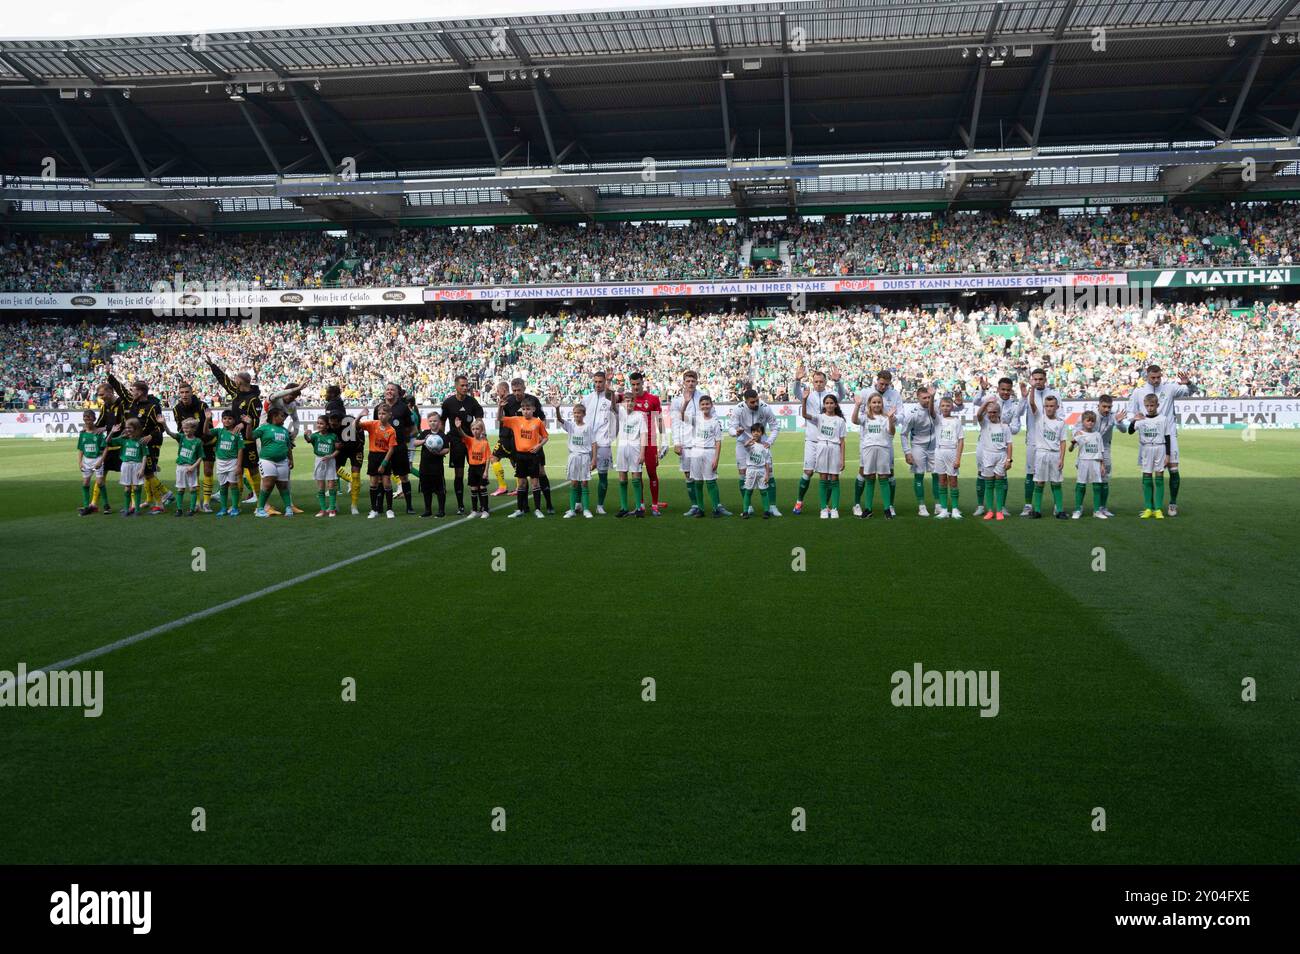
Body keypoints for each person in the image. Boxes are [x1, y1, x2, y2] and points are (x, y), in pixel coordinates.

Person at [1127, 365, 1196, 516]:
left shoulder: (1170, 388)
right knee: (1148, 472)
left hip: (1169, 435)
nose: (1156, 380)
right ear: (1146, 376)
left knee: (1173, 468)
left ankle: (1172, 503)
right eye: (1153, 377)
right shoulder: (1138, 392)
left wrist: (1188, 382)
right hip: (1149, 439)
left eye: (1159, 377)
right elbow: (1130, 412)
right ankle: (1150, 507)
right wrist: (1134, 418)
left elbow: (1191, 391)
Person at [207, 354, 263, 505]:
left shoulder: (254, 399)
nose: (233, 381)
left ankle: (260, 500)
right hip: (234, 438)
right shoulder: (236, 392)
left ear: (241, 381)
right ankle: (236, 504)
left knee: (252, 469)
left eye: (236, 379)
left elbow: (256, 420)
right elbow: (223, 381)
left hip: (248, 439)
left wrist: (244, 425)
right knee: (236, 471)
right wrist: (213, 366)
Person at [792, 365, 846, 514]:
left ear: (825, 382)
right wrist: (797, 380)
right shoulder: (807, 394)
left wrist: (838, 381)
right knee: (808, 472)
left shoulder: (830, 396)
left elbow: (842, 394)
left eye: (821, 381)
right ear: (813, 382)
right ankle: (799, 502)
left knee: (828, 474)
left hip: (829, 442)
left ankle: (826, 505)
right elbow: (796, 392)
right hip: (812, 440)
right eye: (816, 381)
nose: (818, 384)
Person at [971, 375, 1022, 517]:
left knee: (1002, 476)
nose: (1005, 392)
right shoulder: (991, 399)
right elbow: (975, 402)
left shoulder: (1014, 406)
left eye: (1008, 390)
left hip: (1001, 444)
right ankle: (981, 506)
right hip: (984, 444)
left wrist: (1004, 428)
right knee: (982, 474)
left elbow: (1017, 427)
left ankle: (1002, 507)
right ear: (998, 389)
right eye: (1003, 389)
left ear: (1011, 391)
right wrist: (982, 389)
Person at [1120, 393, 1173, 519]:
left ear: (1157, 405)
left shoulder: (1163, 419)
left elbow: (1167, 437)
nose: (1149, 408)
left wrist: (1168, 454)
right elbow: (1130, 432)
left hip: (1159, 447)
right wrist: (1134, 420)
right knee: (1147, 476)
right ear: (1144, 406)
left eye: (1152, 405)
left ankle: (1158, 509)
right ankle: (1149, 508)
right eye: (1147, 406)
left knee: (1159, 476)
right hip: (1146, 448)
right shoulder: (1141, 419)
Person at [730, 388, 781, 516]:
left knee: (769, 472)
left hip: (762, 444)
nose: (756, 404)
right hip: (743, 444)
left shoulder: (765, 408)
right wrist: (735, 433)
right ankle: (748, 507)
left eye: (757, 401)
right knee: (743, 473)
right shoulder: (738, 409)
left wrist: (769, 441)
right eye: (752, 402)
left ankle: (772, 506)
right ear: (745, 401)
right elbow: (731, 427)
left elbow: (775, 427)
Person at [498, 395, 549, 518]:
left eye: (528, 408)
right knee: (521, 483)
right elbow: (500, 418)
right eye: (524, 409)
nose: (526, 411)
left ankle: (537, 509)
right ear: (521, 409)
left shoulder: (537, 422)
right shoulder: (516, 420)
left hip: (533, 456)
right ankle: (519, 509)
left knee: (535, 483)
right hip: (520, 456)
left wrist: (538, 445)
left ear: (533, 409)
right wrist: (500, 407)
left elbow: (546, 437)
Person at [440, 375, 484, 515]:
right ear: (456, 386)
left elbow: (479, 420)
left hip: (472, 442)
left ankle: (479, 505)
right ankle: (460, 506)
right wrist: (441, 437)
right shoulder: (448, 403)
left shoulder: (473, 402)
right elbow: (442, 421)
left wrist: (481, 435)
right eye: (462, 385)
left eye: (467, 385)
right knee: (458, 473)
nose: (465, 388)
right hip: (456, 441)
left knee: (476, 471)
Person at [860, 370, 902, 515]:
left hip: (886, 443)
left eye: (887, 384)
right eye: (881, 383)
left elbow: (901, 416)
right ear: (876, 380)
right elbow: (857, 418)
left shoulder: (895, 395)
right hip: (867, 444)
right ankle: (863, 506)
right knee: (867, 475)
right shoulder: (866, 392)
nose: (883, 387)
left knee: (887, 475)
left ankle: (889, 506)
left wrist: (891, 417)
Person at [1019, 369, 1059, 517]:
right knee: (1030, 473)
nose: (1038, 381)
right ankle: (1028, 506)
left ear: (1045, 379)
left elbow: (1060, 418)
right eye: (1035, 379)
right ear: (1031, 380)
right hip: (1032, 441)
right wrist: (1024, 398)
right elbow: (1019, 414)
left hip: (1050, 444)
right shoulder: (1028, 394)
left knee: (1054, 475)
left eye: (1040, 379)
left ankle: (1057, 506)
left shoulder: (1055, 395)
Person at [626, 372, 667, 512]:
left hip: (650, 441)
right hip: (633, 442)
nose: (635, 387)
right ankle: (641, 504)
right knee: (636, 474)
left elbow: (659, 420)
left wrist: (665, 440)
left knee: (651, 472)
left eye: (638, 384)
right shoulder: (627, 399)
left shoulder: (653, 399)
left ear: (643, 382)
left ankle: (655, 505)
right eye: (633, 384)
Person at [852, 391, 896, 519]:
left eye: (879, 402)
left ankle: (887, 509)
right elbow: (854, 420)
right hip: (868, 449)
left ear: (882, 404)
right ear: (869, 404)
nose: (876, 404)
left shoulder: (886, 417)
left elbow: (892, 433)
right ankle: (868, 509)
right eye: (874, 402)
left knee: (883, 478)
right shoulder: (865, 417)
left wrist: (890, 419)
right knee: (869, 478)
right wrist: (857, 405)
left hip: (883, 449)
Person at [802, 393, 847, 519]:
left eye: (831, 403)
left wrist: (842, 460)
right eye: (827, 403)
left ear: (836, 405)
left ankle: (834, 509)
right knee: (823, 478)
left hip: (834, 448)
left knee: (834, 479)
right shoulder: (820, 417)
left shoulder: (840, 420)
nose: (829, 405)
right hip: (821, 447)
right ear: (824, 405)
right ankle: (823, 508)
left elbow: (842, 442)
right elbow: (805, 415)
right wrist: (804, 400)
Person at [172, 381, 215, 512]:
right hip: (191, 446)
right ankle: (196, 503)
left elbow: (210, 427)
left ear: (192, 392)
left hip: (206, 442)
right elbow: (181, 429)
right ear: (179, 394)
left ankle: (206, 502)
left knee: (208, 471)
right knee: (193, 472)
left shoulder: (202, 405)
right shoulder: (176, 409)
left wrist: (200, 441)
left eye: (187, 392)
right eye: (182, 392)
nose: (184, 395)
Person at [580, 371, 618, 514]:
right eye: (595, 382)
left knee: (603, 475)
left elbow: (616, 410)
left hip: (603, 443)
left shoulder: (609, 400)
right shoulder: (587, 399)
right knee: (582, 475)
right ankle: (579, 503)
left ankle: (600, 505)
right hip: (586, 443)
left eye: (600, 382)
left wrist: (612, 394)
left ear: (605, 382)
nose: (597, 384)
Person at [898, 386, 941, 517]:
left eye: (929, 397)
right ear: (918, 398)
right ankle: (921, 506)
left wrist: (933, 398)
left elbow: (936, 414)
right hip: (918, 447)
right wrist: (907, 452)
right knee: (919, 475)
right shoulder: (912, 413)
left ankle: (938, 505)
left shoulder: (934, 408)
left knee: (936, 475)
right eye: (924, 398)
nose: (927, 400)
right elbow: (903, 433)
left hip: (933, 447)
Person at [375, 382, 416, 515]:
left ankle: (409, 506)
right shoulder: (378, 408)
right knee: (382, 478)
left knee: (403, 476)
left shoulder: (404, 408)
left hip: (399, 448)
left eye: (392, 389)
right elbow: (376, 427)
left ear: (397, 392)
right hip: (382, 449)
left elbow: (413, 429)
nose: (389, 391)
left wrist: (404, 438)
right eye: (387, 389)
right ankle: (380, 507)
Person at [1028, 392, 1070, 520]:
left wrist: (1062, 459)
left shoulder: (1061, 423)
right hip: (1041, 454)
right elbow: (1031, 403)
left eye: (1052, 406)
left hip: (1055, 454)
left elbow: (1063, 442)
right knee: (1039, 482)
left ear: (1057, 407)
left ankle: (1060, 510)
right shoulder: (1040, 417)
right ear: (1044, 407)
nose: (1049, 408)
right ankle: (1037, 510)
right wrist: (1032, 388)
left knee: (1056, 483)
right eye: (1047, 406)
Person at [89, 377, 128, 511]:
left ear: (110, 392)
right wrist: (89, 428)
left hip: (123, 444)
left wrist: (106, 428)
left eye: (102, 395)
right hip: (110, 445)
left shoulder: (123, 404)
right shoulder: (105, 406)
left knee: (128, 475)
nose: (101, 398)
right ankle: (94, 503)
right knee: (101, 473)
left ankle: (133, 504)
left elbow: (124, 423)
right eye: (99, 396)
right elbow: (99, 423)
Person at [249, 406, 296, 519]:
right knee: (268, 484)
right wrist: (249, 424)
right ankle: (260, 509)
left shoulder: (284, 430)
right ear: (274, 416)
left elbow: (288, 446)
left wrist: (291, 459)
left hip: (283, 461)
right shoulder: (264, 428)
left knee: (283, 485)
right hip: (267, 460)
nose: (284, 418)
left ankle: (288, 508)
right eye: (281, 416)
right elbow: (250, 436)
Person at [974, 399, 1016, 521]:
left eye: (994, 412)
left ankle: (999, 511)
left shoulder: (1005, 427)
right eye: (990, 412)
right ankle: (990, 511)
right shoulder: (985, 424)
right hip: (987, 455)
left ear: (999, 413)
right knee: (988, 483)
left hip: (1001, 456)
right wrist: (987, 403)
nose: (992, 414)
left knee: (999, 483)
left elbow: (1009, 444)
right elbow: (978, 414)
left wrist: (1009, 459)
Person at [670, 370, 705, 515]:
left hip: (702, 442)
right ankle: (694, 505)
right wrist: (676, 442)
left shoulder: (703, 397)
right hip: (685, 442)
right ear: (683, 382)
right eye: (688, 381)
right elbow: (675, 423)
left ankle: (707, 505)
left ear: (697, 382)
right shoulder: (677, 401)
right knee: (688, 476)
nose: (690, 383)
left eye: (693, 381)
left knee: (704, 475)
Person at [687, 394, 728, 518]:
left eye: (707, 404)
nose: (705, 406)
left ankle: (716, 508)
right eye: (703, 404)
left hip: (710, 452)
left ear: (711, 405)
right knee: (697, 482)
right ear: (699, 406)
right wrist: (686, 401)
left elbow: (718, 441)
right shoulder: (695, 419)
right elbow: (681, 415)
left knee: (711, 481)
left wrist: (716, 458)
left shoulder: (715, 422)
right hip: (696, 452)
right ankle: (700, 509)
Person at [325, 385, 363, 515]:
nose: (332, 425)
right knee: (333, 473)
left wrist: (340, 446)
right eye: (330, 423)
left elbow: (353, 443)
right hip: (341, 447)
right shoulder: (329, 426)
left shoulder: (349, 424)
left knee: (356, 474)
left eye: (334, 423)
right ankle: (333, 504)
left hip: (355, 448)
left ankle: (354, 506)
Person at [554, 399, 596, 518]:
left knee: (584, 483)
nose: (577, 415)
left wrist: (593, 459)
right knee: (573, 483)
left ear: (584, 414)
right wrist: (557, 408)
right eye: (575, 413)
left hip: (584, 457)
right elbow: (560, 420)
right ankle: (572, 510)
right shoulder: (570, 426)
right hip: (573, 457)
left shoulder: (588, 427)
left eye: (579, 413)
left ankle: (586, 509)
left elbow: (594, 443)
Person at [357, 406, 398, 519]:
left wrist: (384, 464)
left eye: (384, 413)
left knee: (387, 483)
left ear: (389, 415)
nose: (381, 415)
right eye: (379, 413)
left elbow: (391, 449)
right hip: (373, 456)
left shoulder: (391, 430)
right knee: (373, 483)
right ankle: (373, 509)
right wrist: (360, 415)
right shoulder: (373, 424)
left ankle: (389, 509)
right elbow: (355, 425)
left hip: (385, 457)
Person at [161, 416, 205, 516]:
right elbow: (169, 433)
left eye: (187, 428)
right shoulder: (181, 437)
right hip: (180, 467)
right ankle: (179, 509)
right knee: (180, 489)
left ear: (194, 429)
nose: (185, 429)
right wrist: (164, 423)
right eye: (184, 428)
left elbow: (201, 457)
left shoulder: (198, 442)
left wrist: (193, 467)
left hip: (191, 467)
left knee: (193, 489)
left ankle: (191, 509)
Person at [105, 418, 149, 517]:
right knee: (127, 488)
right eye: (126, 427)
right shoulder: (123, 439)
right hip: (126, 465)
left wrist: (142, 468)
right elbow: (107, 441)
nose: (127, 429)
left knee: (137, 487)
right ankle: (127, 509)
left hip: (137, 465)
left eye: (130, 427)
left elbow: (145, 455)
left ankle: (137, 509)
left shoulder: (141, 440)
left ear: (136, 428)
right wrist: (112, 432)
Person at [616, 391, 649, 518]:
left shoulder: (639, 416)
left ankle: (638, 508)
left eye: (631, 400)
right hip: (622, 447)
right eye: (626, 400)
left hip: (635, 448)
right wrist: (612, 390)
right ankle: (624, 507)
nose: (629, 403)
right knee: (622, 478)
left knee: (636, 478)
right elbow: (613, 405)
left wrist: (642, 453)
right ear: (623, 402)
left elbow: (643, 434)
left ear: (635, 402)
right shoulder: (620, 412)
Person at [1069, 411, 1107, 520]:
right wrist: (1072, 443)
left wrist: (1102, 465)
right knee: (1081, 485)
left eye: (1092, 421)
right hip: (1083, 462)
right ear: (1083, 421)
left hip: (1095, 462)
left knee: (1097, 486)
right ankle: (1077, 509)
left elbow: (1101, 451)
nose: (1090, 423)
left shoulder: (1097, 435)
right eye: (1088, 420)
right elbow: (1070, 450)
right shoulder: (1079, 434)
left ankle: (1096, 511)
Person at [454, 417, 494, 517]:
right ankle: (474, 511)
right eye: (473, 429)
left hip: (481, 468)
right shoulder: (470, 441)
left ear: (481, 430)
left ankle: (485, 510)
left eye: (477, 429)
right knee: (473, 489)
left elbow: (488, 458)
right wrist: (459, 428)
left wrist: (486, 472)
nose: (475, 431)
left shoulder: (485, 443)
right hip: (472, 468)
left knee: (482, 488)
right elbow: (463, 434)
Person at [1093, 394, 1126, 518]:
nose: (1107, 409)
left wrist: (1118, 421)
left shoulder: (1113, 416)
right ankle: (1079, 508)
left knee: (1104, 478)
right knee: (1084, 479)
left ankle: (1103, 507)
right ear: (1099, 406)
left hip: (1105, 448)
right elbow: (1077, 429)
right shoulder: (1092, 415)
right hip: (1089, 449)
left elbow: (1124, 430)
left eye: (1109, 407)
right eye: (1104, 406)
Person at [414, 411, 451, 518]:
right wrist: (424, 441)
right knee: (426, 490)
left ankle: (441, 510)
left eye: (435, 421)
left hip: (437, 467)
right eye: (430, 421)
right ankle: (427, 510)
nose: (433, 423)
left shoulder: (442, 435)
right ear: (428, 422)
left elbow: (447, 449)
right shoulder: (425, 433)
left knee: (439, 490)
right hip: (424, 467)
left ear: (439, 422)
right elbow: (415, 443)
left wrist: (438, 452)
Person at [210, 409, 246, 517]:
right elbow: (206, 432)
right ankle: (223, 508)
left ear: (234, 420)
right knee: (223, 486)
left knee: (233, 485)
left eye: (230, 419)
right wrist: (208, 419)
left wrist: (239, 465)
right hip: (220, 462)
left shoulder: (237, 434)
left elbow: (240, 449)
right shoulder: (219, 431)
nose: (227, 421)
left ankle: (235, 508)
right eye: (225, 418)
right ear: (222, 420)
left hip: (233, 462)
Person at [933, 395, 965, 520]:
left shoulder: (956, 421)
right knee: (941, 480)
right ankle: (944, 510)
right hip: (939, 451)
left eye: (947, 405)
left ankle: (955, 509)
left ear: (952, 407)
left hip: (952, 451)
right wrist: (931, 396)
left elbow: (961, 441)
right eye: (943, 406)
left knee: (953, 481)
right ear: (939, 407)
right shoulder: (937, 419)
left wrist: (958, 458)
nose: (945, 408)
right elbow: (931, 410)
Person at [305, 415, 341, 517]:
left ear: (327, 426)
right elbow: (308, 440)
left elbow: (338, 449)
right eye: (318, 423)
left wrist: (330, 456)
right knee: (321, 486)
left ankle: (332, 509)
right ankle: (323, 509)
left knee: (331, 485)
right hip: (319, 461)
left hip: (330, 461)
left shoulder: (333, 436)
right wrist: (305, 434)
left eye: (321, 423)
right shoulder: (315, 436)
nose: (319, 425)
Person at [76, 410, 109, 516]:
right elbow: (81, 449)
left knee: (99, 483)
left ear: (94, 419)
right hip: (86, 461)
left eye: (89, 417)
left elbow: (105, 448)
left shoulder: (98, 433)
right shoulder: (83, 434)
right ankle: (86, 507)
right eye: (85, 416)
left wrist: (101, 460)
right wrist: (80, 462)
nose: (87, 418)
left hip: (97, 460)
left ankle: (106, 505)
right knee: (85, 483)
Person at [739, 423, 775, 519]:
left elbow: (767, 462)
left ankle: (766, 511)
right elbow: (745, 446)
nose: (756, 433)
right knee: (748, 491)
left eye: (758, 431)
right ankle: (745, 511)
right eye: (754, 431)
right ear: (751, 433)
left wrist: (767, 474)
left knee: (763, 491)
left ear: (762, 433)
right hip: (750, 470)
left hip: (761, 470)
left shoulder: (765, 446)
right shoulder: (750, 444)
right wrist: (749, 442)